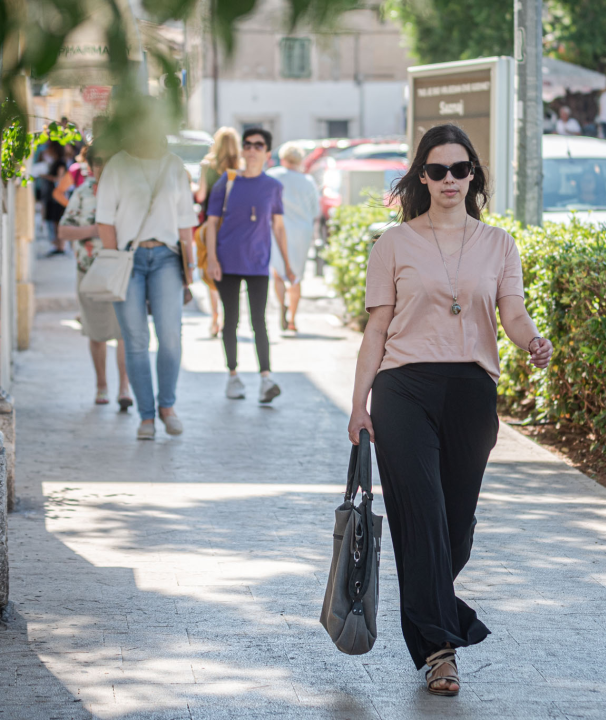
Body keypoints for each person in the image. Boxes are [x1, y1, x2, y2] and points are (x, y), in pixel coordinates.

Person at [346, 124, 553, 696]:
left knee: (453, 533)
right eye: (437, 171)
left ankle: (429, 600)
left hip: (470, 392)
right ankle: (441, 652)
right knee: (423, 517)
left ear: (473, 176)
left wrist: (532, 341)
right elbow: (377, 329)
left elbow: (513, 312)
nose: (449, 180)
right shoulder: (393, 243)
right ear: (422, 177)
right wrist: (359, 403)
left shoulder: (499, 244)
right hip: (402, 389)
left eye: (459, 170)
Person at [96, 109, 199, 440]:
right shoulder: (117, 165)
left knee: (170, 336)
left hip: (168, 258)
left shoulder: (173, 165)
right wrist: (115, 261)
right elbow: (105, 220)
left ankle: (167, 406)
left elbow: (186, 223)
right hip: (128, 259)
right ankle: (146, 417)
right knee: (136, 340)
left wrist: (190, 270)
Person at [204, 128, 295, 403]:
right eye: (248, 145)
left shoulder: (273, 186)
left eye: (258, 145)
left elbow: (278, 227)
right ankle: (233, 376)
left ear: (267, 152)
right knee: (230, 320)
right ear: (242, 150)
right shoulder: (227, 181)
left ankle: (266, 379)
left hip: (258, 263)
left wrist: (287, 264)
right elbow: (211, 223)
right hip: (227, 261)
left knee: (259, 321)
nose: (252, 149)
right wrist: (212, 259)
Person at [57, 146, 133, 409]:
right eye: (97, 161)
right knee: (96, 332)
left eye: (108, 160)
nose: (102, 166)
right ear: (89, 165)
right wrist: (95, 230)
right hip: (89, 271)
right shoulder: (82, 192)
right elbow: (63, 231)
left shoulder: (128, 191)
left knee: (124, 332)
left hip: (121, 271)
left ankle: (124, 388)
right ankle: (102, 385)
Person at [266, 141, 319, 333]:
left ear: (282, 158)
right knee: (296, 277)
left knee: (278, 274)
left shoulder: (272, 176)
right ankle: (293, 320)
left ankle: (282, 306)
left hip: (278, 229)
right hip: (302, 232)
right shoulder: (308, 181)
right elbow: (315, 210)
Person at [195, 127, 242, 338]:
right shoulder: (241, 167)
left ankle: (215, 316)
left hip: (210, 225)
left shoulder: (207, 165)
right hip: (234, 226)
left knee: (210, 266)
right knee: (230, 271)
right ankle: (227, 316)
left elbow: (200, 196)